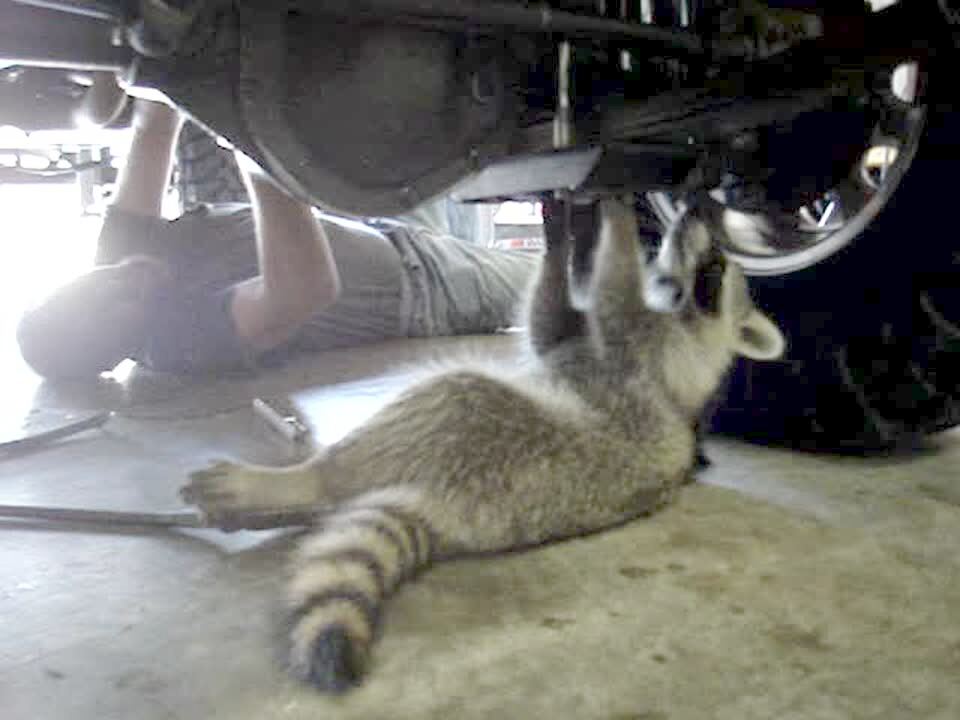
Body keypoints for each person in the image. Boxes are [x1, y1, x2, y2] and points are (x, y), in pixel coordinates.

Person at [16, 99, 540, 379]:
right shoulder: (183, 343)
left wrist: (176, 62)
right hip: (432, 290)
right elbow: (305, 290)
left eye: (87, 284)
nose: (122, 275)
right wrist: (257, 146)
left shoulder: (116, 254)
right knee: (575, 277)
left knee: (446, 120)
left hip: (383, 230)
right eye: (115, 305)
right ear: (121, 353)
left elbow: (153, 124)